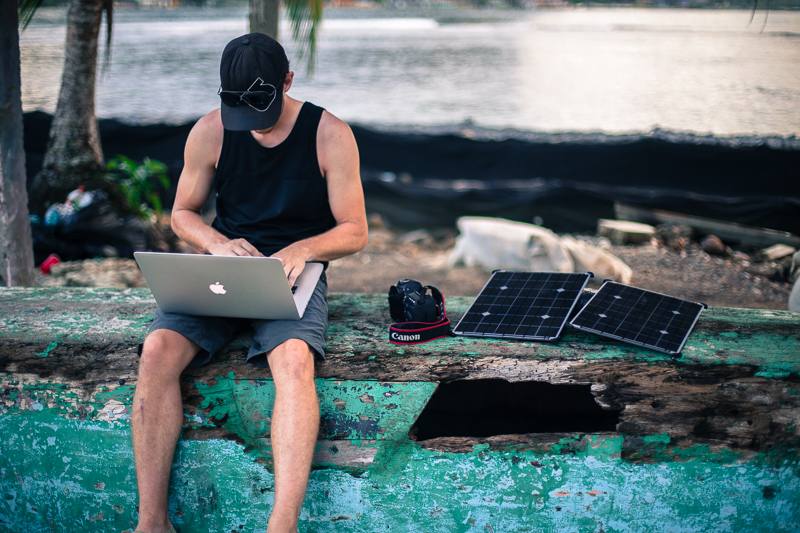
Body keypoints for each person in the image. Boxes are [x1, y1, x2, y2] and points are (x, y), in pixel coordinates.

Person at [131, 33, 368, 533]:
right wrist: (217, 243)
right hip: (223, 267)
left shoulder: (330, 134)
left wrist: (303, 249)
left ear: (287, 81)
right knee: (155, 352)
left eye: (260, 114)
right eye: (241, 116)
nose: (253, 130)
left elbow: (355, 230)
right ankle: (152, 523)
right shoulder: (210, 131)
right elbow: (181, 214)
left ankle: (282, 525)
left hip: (295, 273)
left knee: (294, 361)